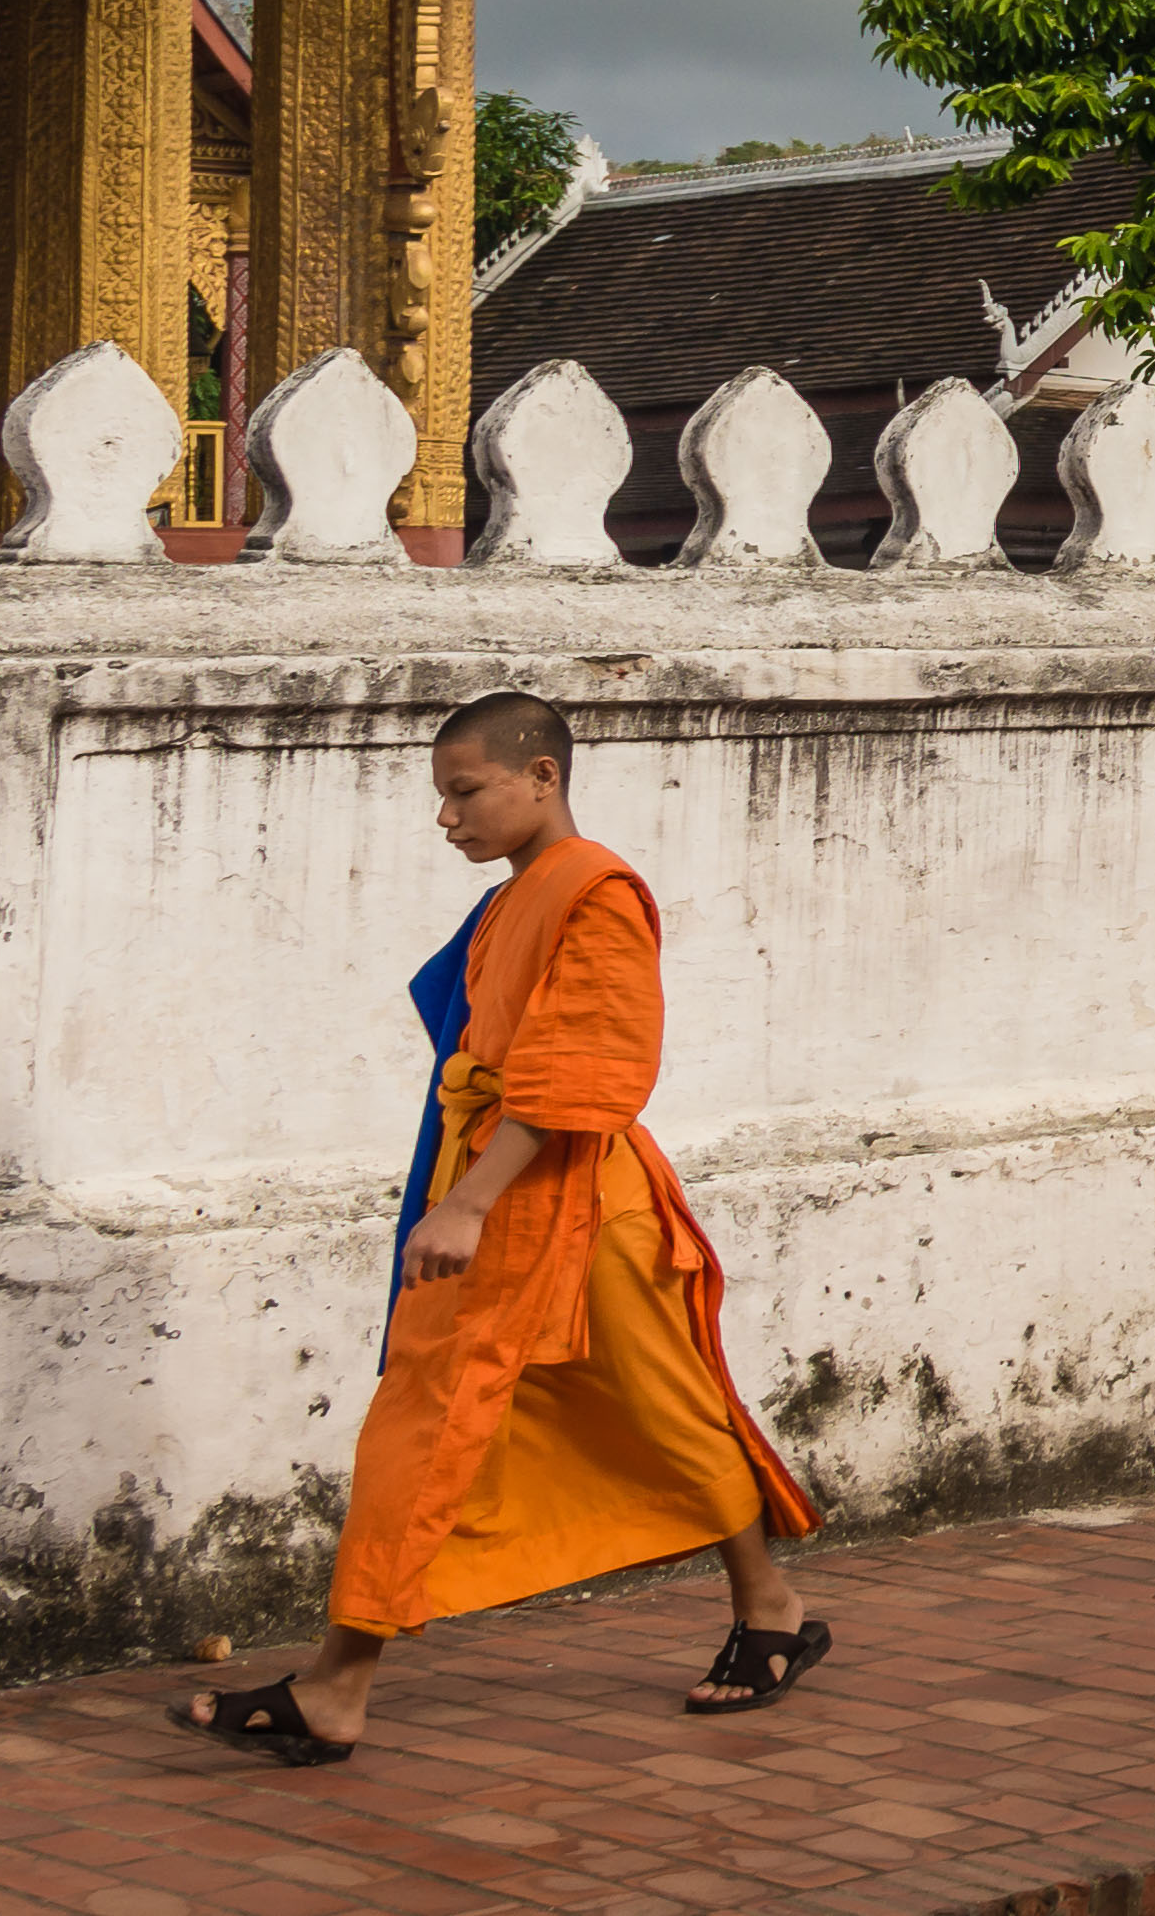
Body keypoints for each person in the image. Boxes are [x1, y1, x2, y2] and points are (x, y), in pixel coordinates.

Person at [182, 693, 824, 1766]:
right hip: (519, 1185)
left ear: (543, 778)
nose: (449, 818)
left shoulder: (597, 890)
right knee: (635, 1412)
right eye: (443, 797)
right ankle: (770, 1608)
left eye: (465, 791)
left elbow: (583, 1064)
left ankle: (338, 1686)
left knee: (439, 1422)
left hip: (566, 1195)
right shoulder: (513, 897)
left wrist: (471, 1201)